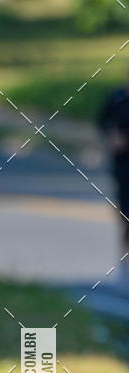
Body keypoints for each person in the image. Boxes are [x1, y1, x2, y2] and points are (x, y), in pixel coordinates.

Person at [98, 74, 129, 291]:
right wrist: (113, 136)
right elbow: (102, 121)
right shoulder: (117, 97)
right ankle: (125, 264)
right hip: (123, 166)